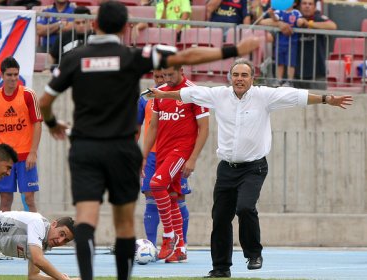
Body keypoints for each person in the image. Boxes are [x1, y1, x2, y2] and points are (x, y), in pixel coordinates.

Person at [38, 1, 259, 280]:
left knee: (85, 219)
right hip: (121, 149)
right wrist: (235, 50)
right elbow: (187, 56)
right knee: (124, 223)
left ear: (95, 25)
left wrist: (52, 123)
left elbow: (45, 101)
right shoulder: (134, 55)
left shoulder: (74, 58)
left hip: (85, 148)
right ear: (124, 28)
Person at [145, 58, 353, 278]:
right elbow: (188, 95)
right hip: (226, 168)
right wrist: (162, 94)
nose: (239, 79)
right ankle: (221, 268)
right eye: (236, 75)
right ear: (230, 78)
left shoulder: (264, 96)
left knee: (244, 208)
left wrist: (326, 99)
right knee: (220, 217)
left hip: (254, 168)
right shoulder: (219, 95)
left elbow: (295, 97)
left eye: (244, 75)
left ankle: (253, 253)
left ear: (253, 78)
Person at [142, 65, 209, 263]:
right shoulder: (159, 93)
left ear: (181, 70)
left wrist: (193, 158)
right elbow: (153, 126)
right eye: (164, 75)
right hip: (162, 151)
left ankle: (169, 236)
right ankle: (180, 249)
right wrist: (143, 156)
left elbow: (204, 129)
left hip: (181, 151)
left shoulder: (193, 92)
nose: (167, 78)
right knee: (171, 197)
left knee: (156, 185)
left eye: (171, 74)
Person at [137, 69, 192, 250]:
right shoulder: (146, 98)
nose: (162, 81)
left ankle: (179, 244)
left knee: (176, 196)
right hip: (153, 154)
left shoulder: (185, 93)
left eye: (165, 76)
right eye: (158, 77)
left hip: (175, 153)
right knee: (151, 198)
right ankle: (151, 246)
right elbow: (139, 128)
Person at [0, 57, 42, 213]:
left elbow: (37, 123)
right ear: (2, 75)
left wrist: (33, 152)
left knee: (29, 198)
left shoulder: (28, 94)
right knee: (5, 200)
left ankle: (35, 236)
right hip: (4, 158)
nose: (13, 78)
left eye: (16, 74)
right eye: (9, 75)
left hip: (25, 157)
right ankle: (2, 237)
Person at [260, 0, 337, 89]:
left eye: (310, 4)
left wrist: (309, 24)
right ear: (299, 5)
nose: (307, 6)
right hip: (295, 75)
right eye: (304, 3)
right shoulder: (292, 16)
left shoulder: (318, 17)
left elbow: (332, 26)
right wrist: (280, 24)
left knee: (320, 101)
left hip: (317, 74)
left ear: (315, 7)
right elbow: (263, 22)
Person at [0, 211, 78, 280]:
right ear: (54, 224)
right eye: (61, 234)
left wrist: (63, 278)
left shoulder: (41, 244)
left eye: (65, 240)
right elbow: (38, 260)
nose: (60, 241)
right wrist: (63, 279)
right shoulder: (38, 223)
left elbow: (33, 276)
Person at [267, 5, 304, 86]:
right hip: (280, 43)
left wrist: (301, 21)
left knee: (291, 62)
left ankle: (290, 81)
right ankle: (279, 80)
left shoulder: (296, 12)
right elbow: (275, 18)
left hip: (292, 43)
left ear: (294, 3)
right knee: (279, 62)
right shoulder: (279, 11)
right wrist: (271, 14)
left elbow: (300, 21)